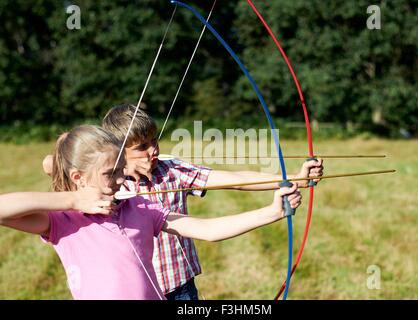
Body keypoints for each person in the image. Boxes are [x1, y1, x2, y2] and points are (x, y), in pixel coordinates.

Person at [43, 104, 324, 300]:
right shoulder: (103, 185)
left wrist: (292, 180)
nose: (153, 150)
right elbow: (52, 163)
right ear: (117, 153)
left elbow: (231, 179)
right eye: (141, 147)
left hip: (180, 286)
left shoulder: (171, 168)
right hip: (133, 289)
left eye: (154, 140)